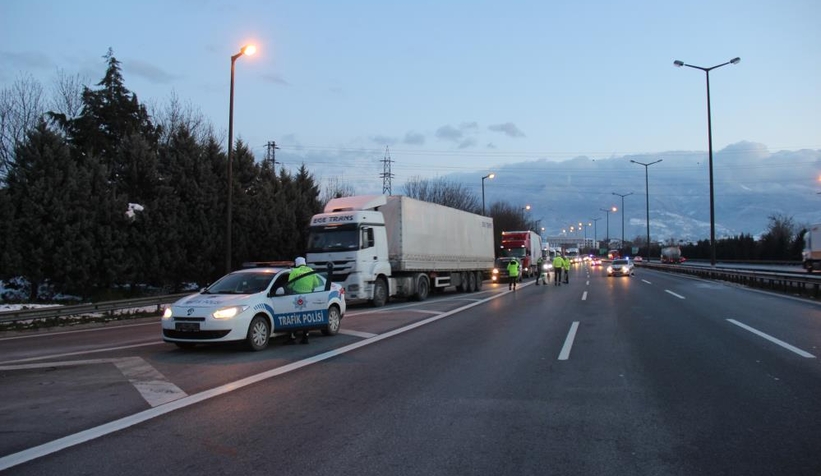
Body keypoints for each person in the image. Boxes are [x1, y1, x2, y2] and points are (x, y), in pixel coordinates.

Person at [287, 257, 321, 344]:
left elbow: (289, 285)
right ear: (304, 262)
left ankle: (292, 337)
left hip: (296, 297)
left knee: (294, 317)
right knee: (306, 317)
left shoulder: (294, 271)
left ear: (296, 263)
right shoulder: (310, 270)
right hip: (308, 296)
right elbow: (316, 284)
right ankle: (305, 337)